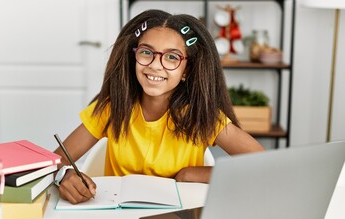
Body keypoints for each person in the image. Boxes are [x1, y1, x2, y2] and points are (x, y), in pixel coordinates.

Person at [54, 9, 264, 204]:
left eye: (172, 57)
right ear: (133, 57)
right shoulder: (112, 109)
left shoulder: (202, 116)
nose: (155, 64)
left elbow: (262, 164)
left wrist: (196, 174)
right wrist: (64, 175)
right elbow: (54, 161)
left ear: (186, 71)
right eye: (146, 52)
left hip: (177, 218)